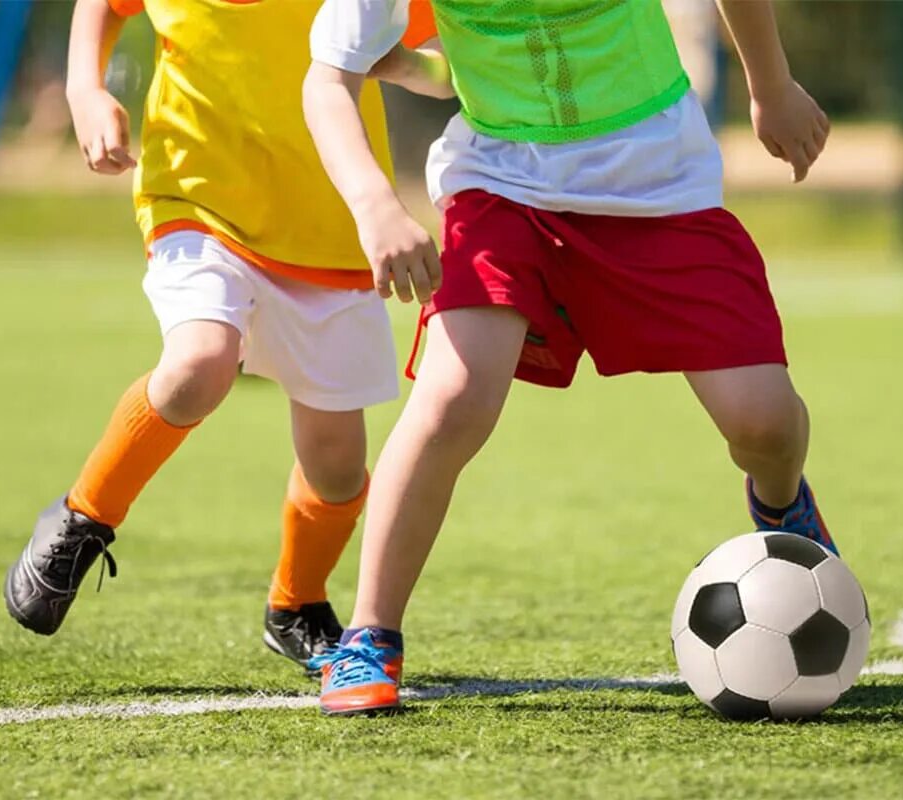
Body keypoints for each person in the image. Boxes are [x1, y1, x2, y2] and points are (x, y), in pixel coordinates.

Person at [302, 0, 835, 714]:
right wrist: (375, 206)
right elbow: (328, 79)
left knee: (763, 422)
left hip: (659, 186)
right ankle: (370, 634)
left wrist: (771, 87)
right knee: (454, 397)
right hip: (501, 185)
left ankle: (782, 502)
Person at [3, 0, 437, 671]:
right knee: (200, 362)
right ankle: (81, 517)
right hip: (199, 197)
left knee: (337, 462)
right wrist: (84, 89)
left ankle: (295, 604)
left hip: (328, 229)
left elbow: (449, 28)